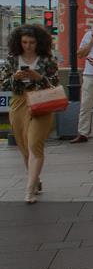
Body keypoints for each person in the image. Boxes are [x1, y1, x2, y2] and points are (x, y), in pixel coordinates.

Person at [0, 25, 61, 203]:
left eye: (32, 42)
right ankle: (35, 179)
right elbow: (3, 84)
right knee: (24, 147)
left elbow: (55, 84)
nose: (28, 46)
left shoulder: (47, 60)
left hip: (42, 102)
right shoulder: (12, 60)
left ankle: (29, 188)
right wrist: (15, 78)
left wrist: (38, 77)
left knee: (35, 144)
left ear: (39, 42)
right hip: (19, 103)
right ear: (19, 42)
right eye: (25, 42)